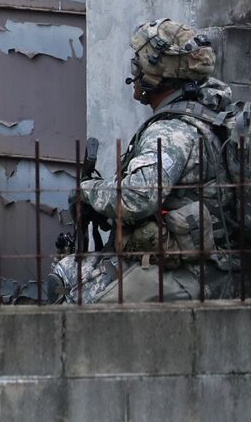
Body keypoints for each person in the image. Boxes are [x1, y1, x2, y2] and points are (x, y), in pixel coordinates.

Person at [47, 19, 237, 303]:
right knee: (64, 273)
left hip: (195, 272)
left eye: (140, 66)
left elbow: (137, 198)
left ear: (158, 77)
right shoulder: (207, 113)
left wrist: (88, 190)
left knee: (75, 297)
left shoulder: (172, 131)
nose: (134, 72)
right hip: (204, 262)